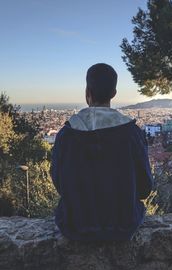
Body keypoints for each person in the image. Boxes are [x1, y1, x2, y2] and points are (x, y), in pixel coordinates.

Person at [51, 63, 153, 241]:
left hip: (75, 225)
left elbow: (59, 183)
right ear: (114, 93)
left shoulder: (67, 134)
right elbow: (145, 188)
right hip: (123, 225)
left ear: (87, 92)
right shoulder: (131, 133)